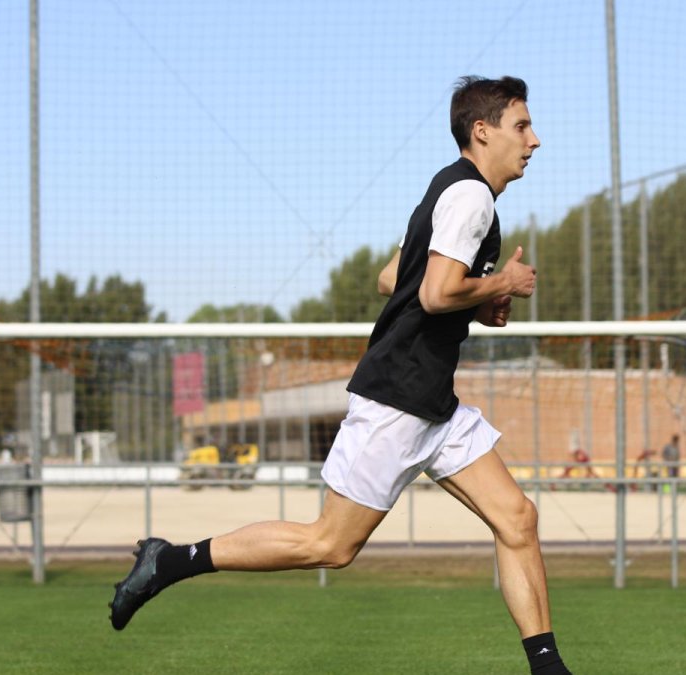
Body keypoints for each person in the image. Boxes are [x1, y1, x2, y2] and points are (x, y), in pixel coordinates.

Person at [109, 76, 570, 674]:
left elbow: (391, 279)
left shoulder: (448, 191)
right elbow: (431, 294)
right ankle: (170, 561)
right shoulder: (472, 198)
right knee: (330, 544)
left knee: (517, 518)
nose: (534, 140)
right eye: (521, 126)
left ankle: (548, 667)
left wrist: (481, 300)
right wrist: (500, 284)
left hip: (433, 402)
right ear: (482, 131)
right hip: (399, 398)